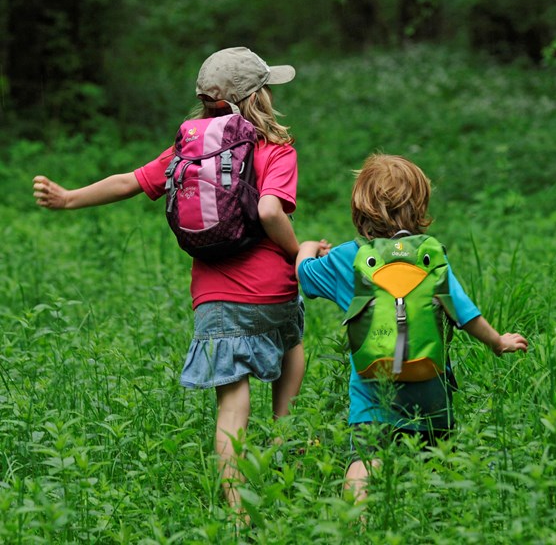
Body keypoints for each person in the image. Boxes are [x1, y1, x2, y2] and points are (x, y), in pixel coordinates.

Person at [33, 46, 306, 512]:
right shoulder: (275, 149)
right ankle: (283, 436)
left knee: (231, 405)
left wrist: (68, 198)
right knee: (292, 342)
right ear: (258, 96)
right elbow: (268, 209)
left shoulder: (190, 149)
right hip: (272, 290)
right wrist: (298, 253)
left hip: (215, 297)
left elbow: (130, 181)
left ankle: (237, 513)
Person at [295, 153, 528, 502]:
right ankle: (435, 517)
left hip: (374, 388)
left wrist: (308, 247)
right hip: (430, 384)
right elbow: (464, 314)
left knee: (365, 456)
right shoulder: (431, 257)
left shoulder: (349, 257)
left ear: (359, 213)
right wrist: (498, 342)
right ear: (420, 209)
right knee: (435, 458)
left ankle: (354, 525)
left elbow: (305, 277)